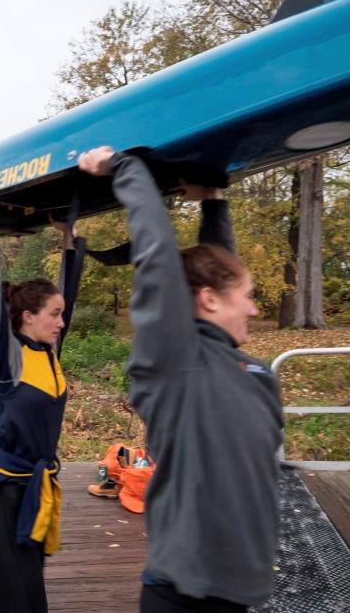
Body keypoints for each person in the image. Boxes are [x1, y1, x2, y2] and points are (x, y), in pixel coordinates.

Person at [78, 146, 283, 613]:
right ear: (208, 300)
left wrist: (213, 201)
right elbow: (156, 259)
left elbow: (216, 272)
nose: (254, 308)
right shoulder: (174, 364)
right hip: (185, 594)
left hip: (242, 591)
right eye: (247, 297)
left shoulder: (252, 373)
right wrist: (124, 168)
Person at [0, 195, 85, 613]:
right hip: (1, 499)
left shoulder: (49, 353)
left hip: (35, 496)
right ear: (27, 316)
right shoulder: (8, 360)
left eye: (62, 315)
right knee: (20, 606)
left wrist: (69, 239)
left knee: (30, 605)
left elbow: (69, 296)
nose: (62, 322)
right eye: (54, 315)